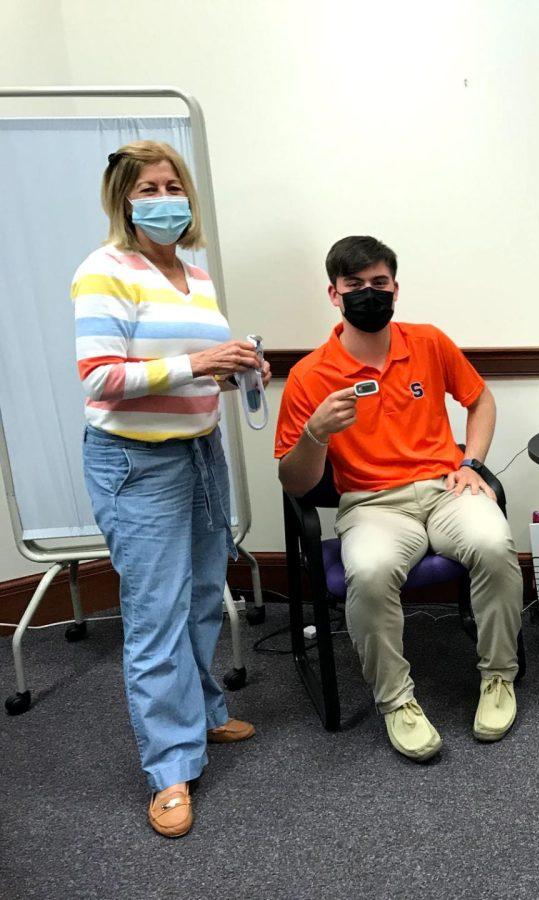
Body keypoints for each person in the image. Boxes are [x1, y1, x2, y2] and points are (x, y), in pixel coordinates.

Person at [73, 140, 268, 837]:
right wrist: (198, 361)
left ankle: (205, 716)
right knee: (155, 617)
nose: (165, 199)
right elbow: (99, 376)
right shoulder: (104, 272)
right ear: (124, 200)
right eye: (148, 188)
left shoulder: (194, 273)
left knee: (199, 600)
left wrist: (231, 371)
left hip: (198, 453)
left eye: (173, 185)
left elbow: (181, 367)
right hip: (137, 463)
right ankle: (168, 771)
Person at [275, 236, 522, 761]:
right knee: (367, 570)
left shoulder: (428, 342)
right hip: (371, 505)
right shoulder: (308, 375)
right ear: (333, 294)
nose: (369, 294)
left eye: (379, 284)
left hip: (445, 491)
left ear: (395, 289)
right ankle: (396, 702)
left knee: (495, 543)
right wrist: (315, 434)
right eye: (355, 286)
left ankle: (499, 678)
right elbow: (295, 484)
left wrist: (471, 463)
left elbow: (480, 400)